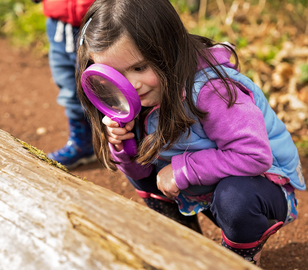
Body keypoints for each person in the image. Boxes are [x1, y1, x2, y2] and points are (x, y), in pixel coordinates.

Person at [76, 0, 305, 265]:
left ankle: (241, 257)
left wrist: (181, 170)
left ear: (169, 48)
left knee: (235, 198)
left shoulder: (212, 90)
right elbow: (141, 172)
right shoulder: (140, 97)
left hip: (262, 185)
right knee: (143, 166)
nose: (132, 85)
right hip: (201, 186)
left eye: (139, 68)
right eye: (115, 75)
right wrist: (122, 147)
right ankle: (184, 244)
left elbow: (254, 156)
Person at [32, 0, 97, 169]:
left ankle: (130, 149)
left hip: (98, 21)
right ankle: (82, 143)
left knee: (105, 87)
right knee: (69, 86)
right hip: (57, 24)